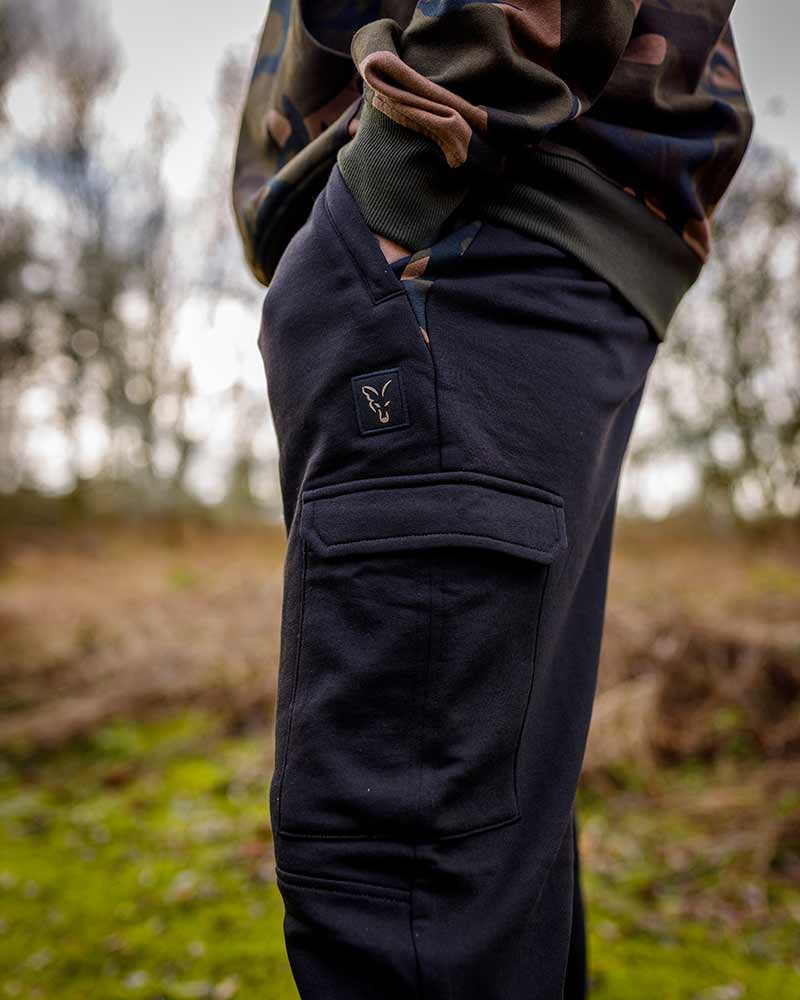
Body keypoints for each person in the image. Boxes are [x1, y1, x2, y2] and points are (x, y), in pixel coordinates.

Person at [231, 3, 754, 997]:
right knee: (481, 870)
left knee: (405, 894)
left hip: (464, 209)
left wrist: (397, 177)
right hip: (519, 228)